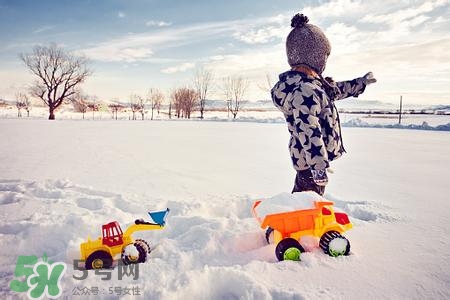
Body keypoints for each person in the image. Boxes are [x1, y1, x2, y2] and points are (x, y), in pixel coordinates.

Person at [271, 13, 377, 196]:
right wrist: (318, 167)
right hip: (310, 163)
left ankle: (283, 222)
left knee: (300, 201)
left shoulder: (313, 86)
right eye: (325, 56)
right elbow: (308, 130)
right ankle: (281, 224)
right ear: (314, 57)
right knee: (308, 206)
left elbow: (337, 90)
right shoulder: (305, 91)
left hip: (308, 161)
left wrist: (360, 83)